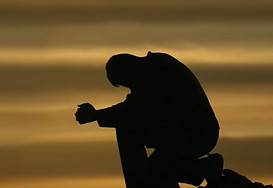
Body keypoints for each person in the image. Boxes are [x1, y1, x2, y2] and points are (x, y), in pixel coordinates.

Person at [75, 52, 223, 188]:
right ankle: (199, 170)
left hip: (195, 133)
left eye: (127, 82)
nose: (131, 87)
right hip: (188, 131)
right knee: (153, 170)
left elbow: (134, 109)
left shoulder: (155, 70)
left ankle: (199, 170)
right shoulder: (154, 67)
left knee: (129, 134)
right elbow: (136, 106)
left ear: (128, 69)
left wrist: (96, 115)